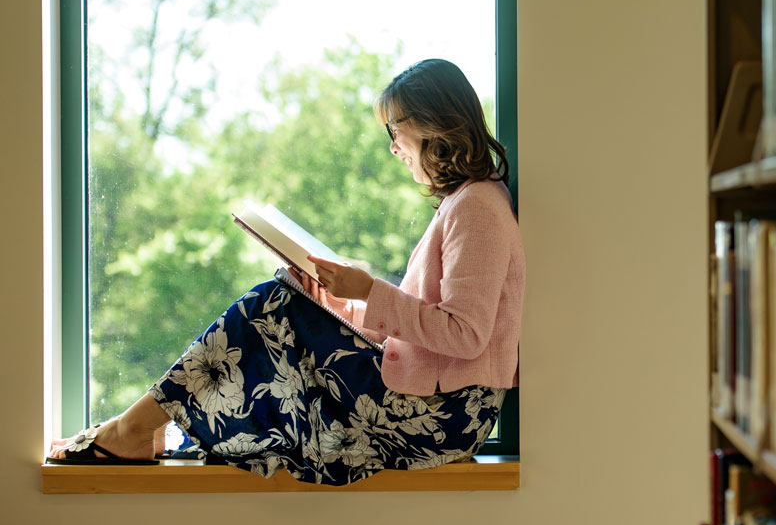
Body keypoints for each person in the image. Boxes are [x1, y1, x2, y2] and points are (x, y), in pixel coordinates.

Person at [46, 59, 525, 486]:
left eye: (394, 130)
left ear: (430, 125)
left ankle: (133, 428)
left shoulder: (477, 207)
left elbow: (466, 335)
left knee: (269, 306)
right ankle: (143, 425)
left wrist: (370, 291)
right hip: (432, 404)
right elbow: (427, 334)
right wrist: (342, 304)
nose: (394, 147)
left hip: (444, 416)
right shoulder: (466, 203)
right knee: (286, 297)